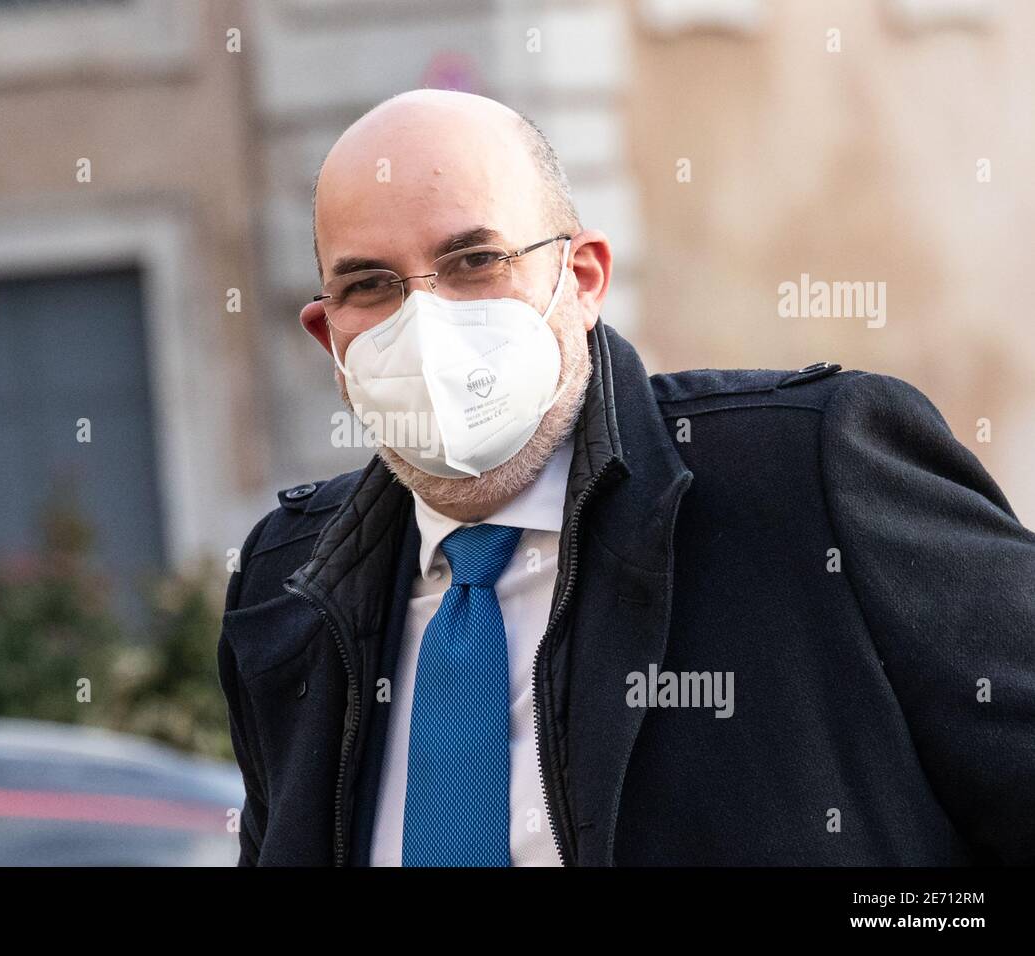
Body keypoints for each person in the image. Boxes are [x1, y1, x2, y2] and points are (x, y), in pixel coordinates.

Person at [217, 89, 1035, 866]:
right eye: (371, 285)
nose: (425, 321)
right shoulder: (284, 582)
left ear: (582, 279)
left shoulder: (807, 475)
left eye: (474, 260)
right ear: (330, 337)